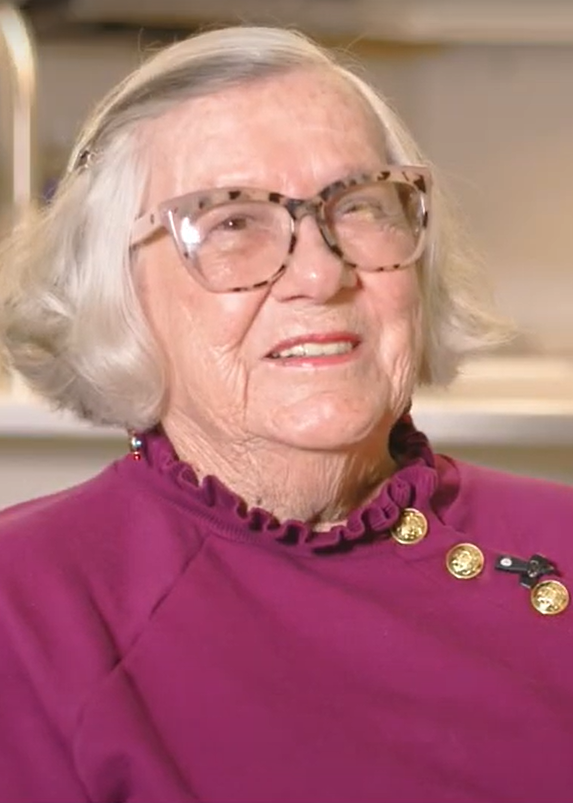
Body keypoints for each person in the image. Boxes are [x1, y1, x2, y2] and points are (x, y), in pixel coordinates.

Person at [0, 24, 572, 803]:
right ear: (118, 292)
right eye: (232, 221)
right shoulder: (31, 610)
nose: (320, 274)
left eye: (360, 205)